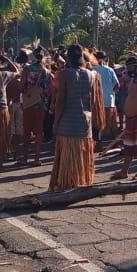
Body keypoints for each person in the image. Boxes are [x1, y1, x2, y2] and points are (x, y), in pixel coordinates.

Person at [49, 44, 103, 191]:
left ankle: (68, 184)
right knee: (80, 156)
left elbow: (61, 100)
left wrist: (56, 122)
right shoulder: (92, 75)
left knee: (68, 158)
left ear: (69, 59)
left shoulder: (66, 74)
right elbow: (92, 101)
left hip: (68, 123)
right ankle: (80, 181)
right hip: (85, 122)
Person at [19, 50, 52, 167]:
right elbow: (49, 90)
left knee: (27, 131)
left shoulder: (27, 69)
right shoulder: (47, 71)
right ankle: (37, 158)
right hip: (41, 104)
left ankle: (24, 158)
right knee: (39, 131)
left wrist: (26, 92)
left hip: (28, 103)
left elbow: (22, 86)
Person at [92, 51, 119, 148]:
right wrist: (111, 92)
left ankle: (98, 145)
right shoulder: (110, 70)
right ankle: (115, 143)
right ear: (105, 59)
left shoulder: (92, 71)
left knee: (98, 123)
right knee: (111, 123)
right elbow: (117, 85)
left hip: (97, 101)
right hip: (109, 100)